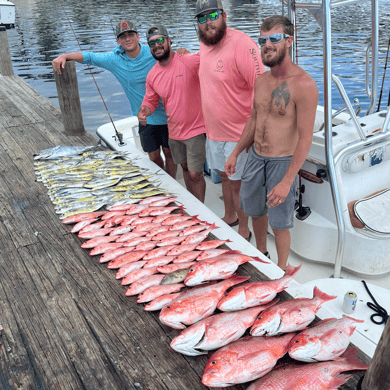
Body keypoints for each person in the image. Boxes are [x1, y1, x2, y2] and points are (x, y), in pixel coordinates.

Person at [225, 15, 319, 270]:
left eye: (274, 39)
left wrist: (287, 181)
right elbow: (253, 120)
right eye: (262, 40)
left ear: (289, 41)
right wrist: (235, 152)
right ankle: (261, 254)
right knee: (255, 211)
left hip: (282, 161)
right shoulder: (261, 82)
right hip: (255, 156)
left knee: (279, 223)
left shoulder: (304, 85)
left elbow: (306, 138)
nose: (267, 44)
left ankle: (281, 268)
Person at [52, 20, 176, 178]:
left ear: (138, 36)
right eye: (122, 36)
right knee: (153, 156)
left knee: (169, 152)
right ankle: (164, 179)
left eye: (130, 34)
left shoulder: (152, 51)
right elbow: (90, 57)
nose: (127, 39)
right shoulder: (115, 59)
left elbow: (173, 56)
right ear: (118, 41)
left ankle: (173, 181)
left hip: (168, 114)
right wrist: (65, 55)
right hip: (145, 118)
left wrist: (182, 52)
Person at [195, 0, 265, 240]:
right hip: (214, 132)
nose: (208, 22)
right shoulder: (205, 44)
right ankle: (230, 216)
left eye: (213, 15)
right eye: (202, 18)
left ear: (224, 15)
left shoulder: (242, 45)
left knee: (238, 184)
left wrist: (253, 136)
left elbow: (261, 92)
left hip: (238, 134)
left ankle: (244, 230)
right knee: (224, 176)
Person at [138, 24, 206, 202]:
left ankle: (202, 212)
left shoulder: (188, 60)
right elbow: (150, 100)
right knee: (184, 167)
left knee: (195, 173)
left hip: (196, 129)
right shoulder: (152, 75)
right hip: (174, 131)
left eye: (160, 40)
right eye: (152, 43)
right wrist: (144, 110)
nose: (157, 45)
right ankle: (194, 204)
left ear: (168, 41)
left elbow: (211, 60)